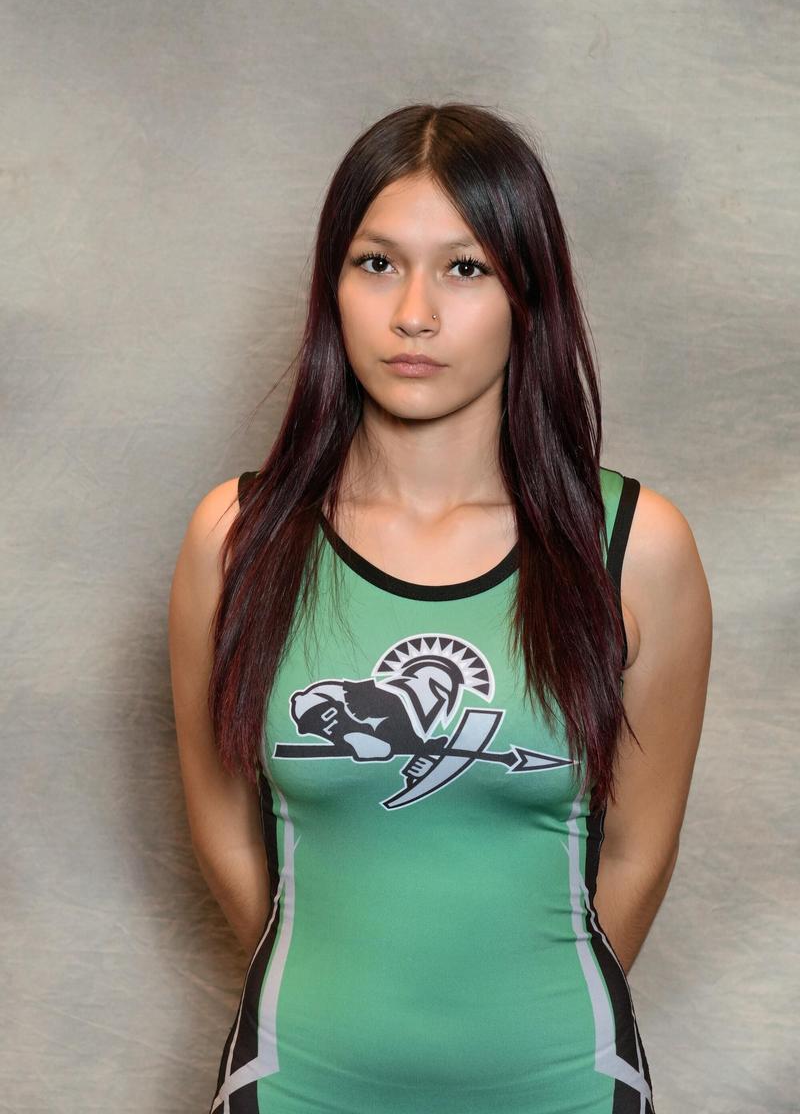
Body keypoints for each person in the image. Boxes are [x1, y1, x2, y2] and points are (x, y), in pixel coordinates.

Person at [168, 102, 712, 1114]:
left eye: (463, 269)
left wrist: (517, 1026)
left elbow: (636, 854)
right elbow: (226, 833)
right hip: (299, 1083)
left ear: (525, 295)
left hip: (562, 1086)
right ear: (330, 287)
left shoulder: (634, 550)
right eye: (376, 264)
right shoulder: (235, 539)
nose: (412, 312)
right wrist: (342, 1001)